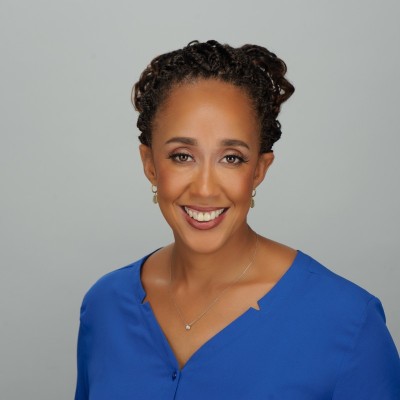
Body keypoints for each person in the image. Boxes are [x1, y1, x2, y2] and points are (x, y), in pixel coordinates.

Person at [74, 40, 400, 399]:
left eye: (231, 158)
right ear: (150, 164)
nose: (205, 188)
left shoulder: (349, 323)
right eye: (182, 156)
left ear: (259, 169)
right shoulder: (105, 306)